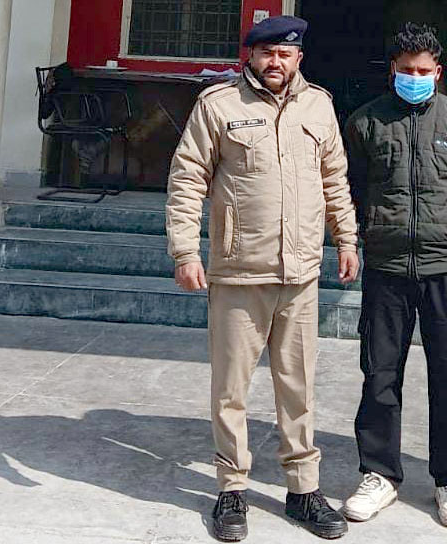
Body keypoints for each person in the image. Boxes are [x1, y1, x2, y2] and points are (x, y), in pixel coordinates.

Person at [165, 15, 358, 542]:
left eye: (285, 54)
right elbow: (187, 179)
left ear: (299, 58)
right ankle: (231, 488)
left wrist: (347, 239)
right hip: (238, 272)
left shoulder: (318, 105)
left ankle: (303, 489)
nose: (276, 62)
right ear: (249, 56)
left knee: (298, 386)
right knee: (230, 388)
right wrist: (185, 250)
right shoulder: (218, 105)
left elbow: (335, 179)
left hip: (301, 273)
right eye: (267, 52)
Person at [342, 22, 447, 529]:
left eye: (423, 70)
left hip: (445, 269)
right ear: (392, 70)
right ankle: (379, 473)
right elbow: (351, 185)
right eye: (406, 70)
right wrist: (374, 227)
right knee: (380, 374)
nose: (415, 77)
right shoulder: (366, 122)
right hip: (386, 268)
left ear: (438, 72)